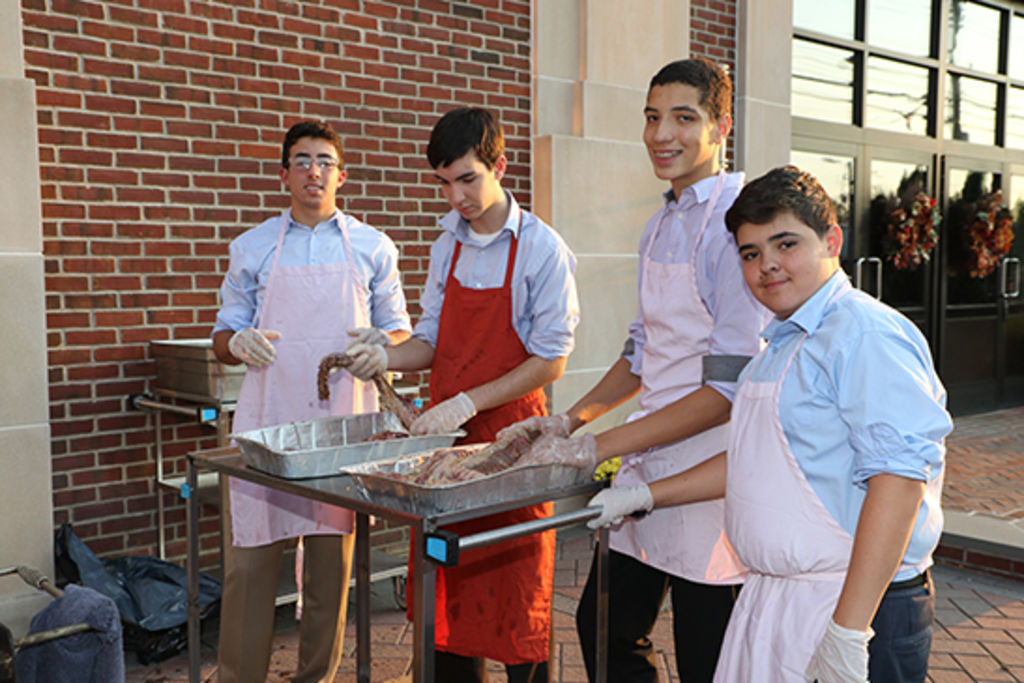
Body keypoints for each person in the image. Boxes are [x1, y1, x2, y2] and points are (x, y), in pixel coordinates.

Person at [586, 165, 952, 682]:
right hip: (779, 601)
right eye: (750, 253)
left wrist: (849, 632)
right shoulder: (778, 346)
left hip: (855, 604)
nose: (767, 267)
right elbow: (756, 463)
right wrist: (645, 496)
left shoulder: (863, 334)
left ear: (832, 241)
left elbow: (899, 480)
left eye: (786, 244)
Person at [500, 57, 770, 682]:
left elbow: (728, 390)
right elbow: (641, 353)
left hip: (714, 470)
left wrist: (596, 446)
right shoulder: (659, 225)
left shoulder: (735, 223)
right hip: (650, 457)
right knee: (605, 628)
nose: (661, 134)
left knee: (713, 657)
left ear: (721, 126)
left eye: (684, 117)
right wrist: (568, 421)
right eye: (652, 117)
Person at [345, 106, 579, 682]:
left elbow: (551, 359)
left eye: (468, 179)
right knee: (447, 594)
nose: (457, 197)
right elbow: (429, 339)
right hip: (445, 449)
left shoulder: (542, 249)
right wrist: (387, 354)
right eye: (445, 183)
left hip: (512, 445)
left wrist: (471, 401)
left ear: (499, 166)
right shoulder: (445, 245)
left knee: (519, 596)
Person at [210, 120, 411, 683]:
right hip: (268, 422)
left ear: (341, 175)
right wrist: (236, 343)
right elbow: (223, 333)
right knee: (249, 566)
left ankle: (315, 677)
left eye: (324, 161)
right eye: (301, 160)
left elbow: (399, 330)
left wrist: (382, 348)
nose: (313, 171)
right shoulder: (251, 248)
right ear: (283, 175)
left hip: (340, 425)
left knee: (330, 571)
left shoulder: (373, 246)